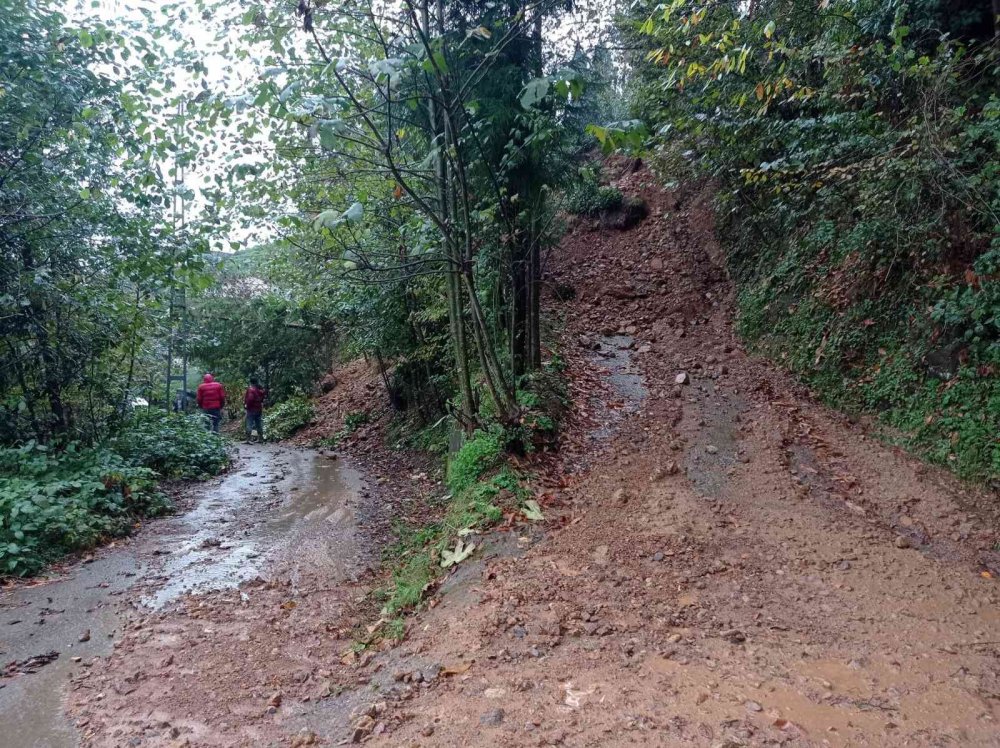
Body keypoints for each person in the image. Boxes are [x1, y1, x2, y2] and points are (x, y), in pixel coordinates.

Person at [244, 377, 266, 442]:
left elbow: (250, 399)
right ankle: (261, 438)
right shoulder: (260, 389)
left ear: (251, 382)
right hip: (259, 408)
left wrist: (247, 406)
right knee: (258, 423)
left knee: (249, 423)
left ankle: (248, 439)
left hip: (251, 409)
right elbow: (262, 398)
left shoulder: (251, 389)